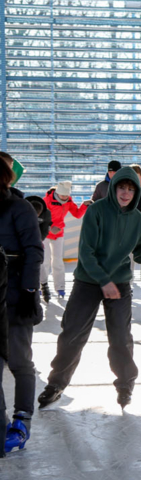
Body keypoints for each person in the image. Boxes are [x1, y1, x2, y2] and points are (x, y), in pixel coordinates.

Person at [37, 167, 141, 410]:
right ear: (114, 187)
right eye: (122, 187)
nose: (126, 193)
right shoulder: (96, 211)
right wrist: (103, 281)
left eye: (131, 189)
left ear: (136, 192)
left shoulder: (138, 219)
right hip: (88, 280)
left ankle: (125, 383)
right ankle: (56, 384)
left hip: (119, 282)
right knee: (72, 333)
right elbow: (86, 252)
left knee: (121, 336)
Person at [0, 157, 44, 454]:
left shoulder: (20, 208)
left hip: (16, 294)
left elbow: (33, 251)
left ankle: (22, 419)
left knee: (19, 361)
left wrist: (29, 290)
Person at [41, 180, 91, 301]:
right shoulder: (46, 201)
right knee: (45, 261)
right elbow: (40, 218)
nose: (64, 197)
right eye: (62, 195)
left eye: (66, 195)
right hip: (45, 233)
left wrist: (84, 205)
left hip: (59, 233)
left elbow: (77, 214)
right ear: (57, 193)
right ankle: (42, 285)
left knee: (58, 261)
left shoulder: (68, 201)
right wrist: (50, 227)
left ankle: (60, 287)